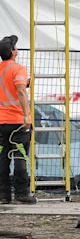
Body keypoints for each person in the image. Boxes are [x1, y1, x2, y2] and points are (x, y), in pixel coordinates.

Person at [0, 35, 36, 204]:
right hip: (18, 121)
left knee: (2, 158)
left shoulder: (1, 69)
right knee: (20, 156)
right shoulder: (18, 69)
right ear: (13, 52)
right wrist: (28, 114)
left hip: (1, 122)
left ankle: (3, 194)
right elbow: (20, 91)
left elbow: (8, 87)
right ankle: (22, 193)